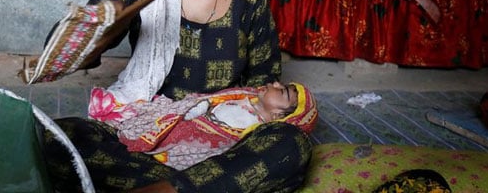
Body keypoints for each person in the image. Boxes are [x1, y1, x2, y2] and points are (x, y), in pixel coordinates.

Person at [44, 0, 314, 193]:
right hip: (148, 131)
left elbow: (264, 77)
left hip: (223, 135)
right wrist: (106, 28)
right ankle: (186, 187)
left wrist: (222, 124)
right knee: (59, 137)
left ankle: (164, 189)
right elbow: (65, 51)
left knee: (290, 145)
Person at [88, 81, 318, 171]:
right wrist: (196, 109)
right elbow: (209, 100)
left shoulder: (257, 131)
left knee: (186, 147)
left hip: (204, 137)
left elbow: (227, 146)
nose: (276, 83)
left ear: (280, 114)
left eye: (283, 92)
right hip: (194, 118)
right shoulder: (245, 95)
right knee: (159, 121)